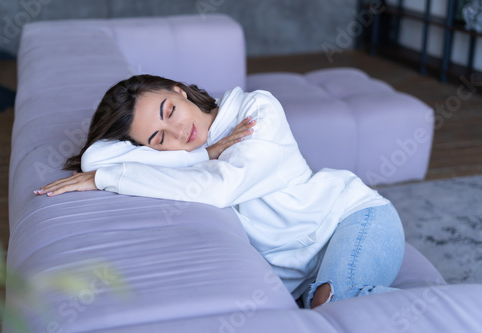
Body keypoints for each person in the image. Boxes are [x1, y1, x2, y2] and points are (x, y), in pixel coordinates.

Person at [36, 74, 405, 308]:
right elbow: (96, 157)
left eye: (170, 110)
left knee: (330, 303)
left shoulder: (255, 110)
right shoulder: (186, 153)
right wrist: (202, 154)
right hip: (301, 275)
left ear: (179, 91)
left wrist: (109, 178)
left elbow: (219, 188)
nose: (178, 132)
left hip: (351, 218)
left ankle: (458, 312)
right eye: (157, 138)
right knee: (318, 303)